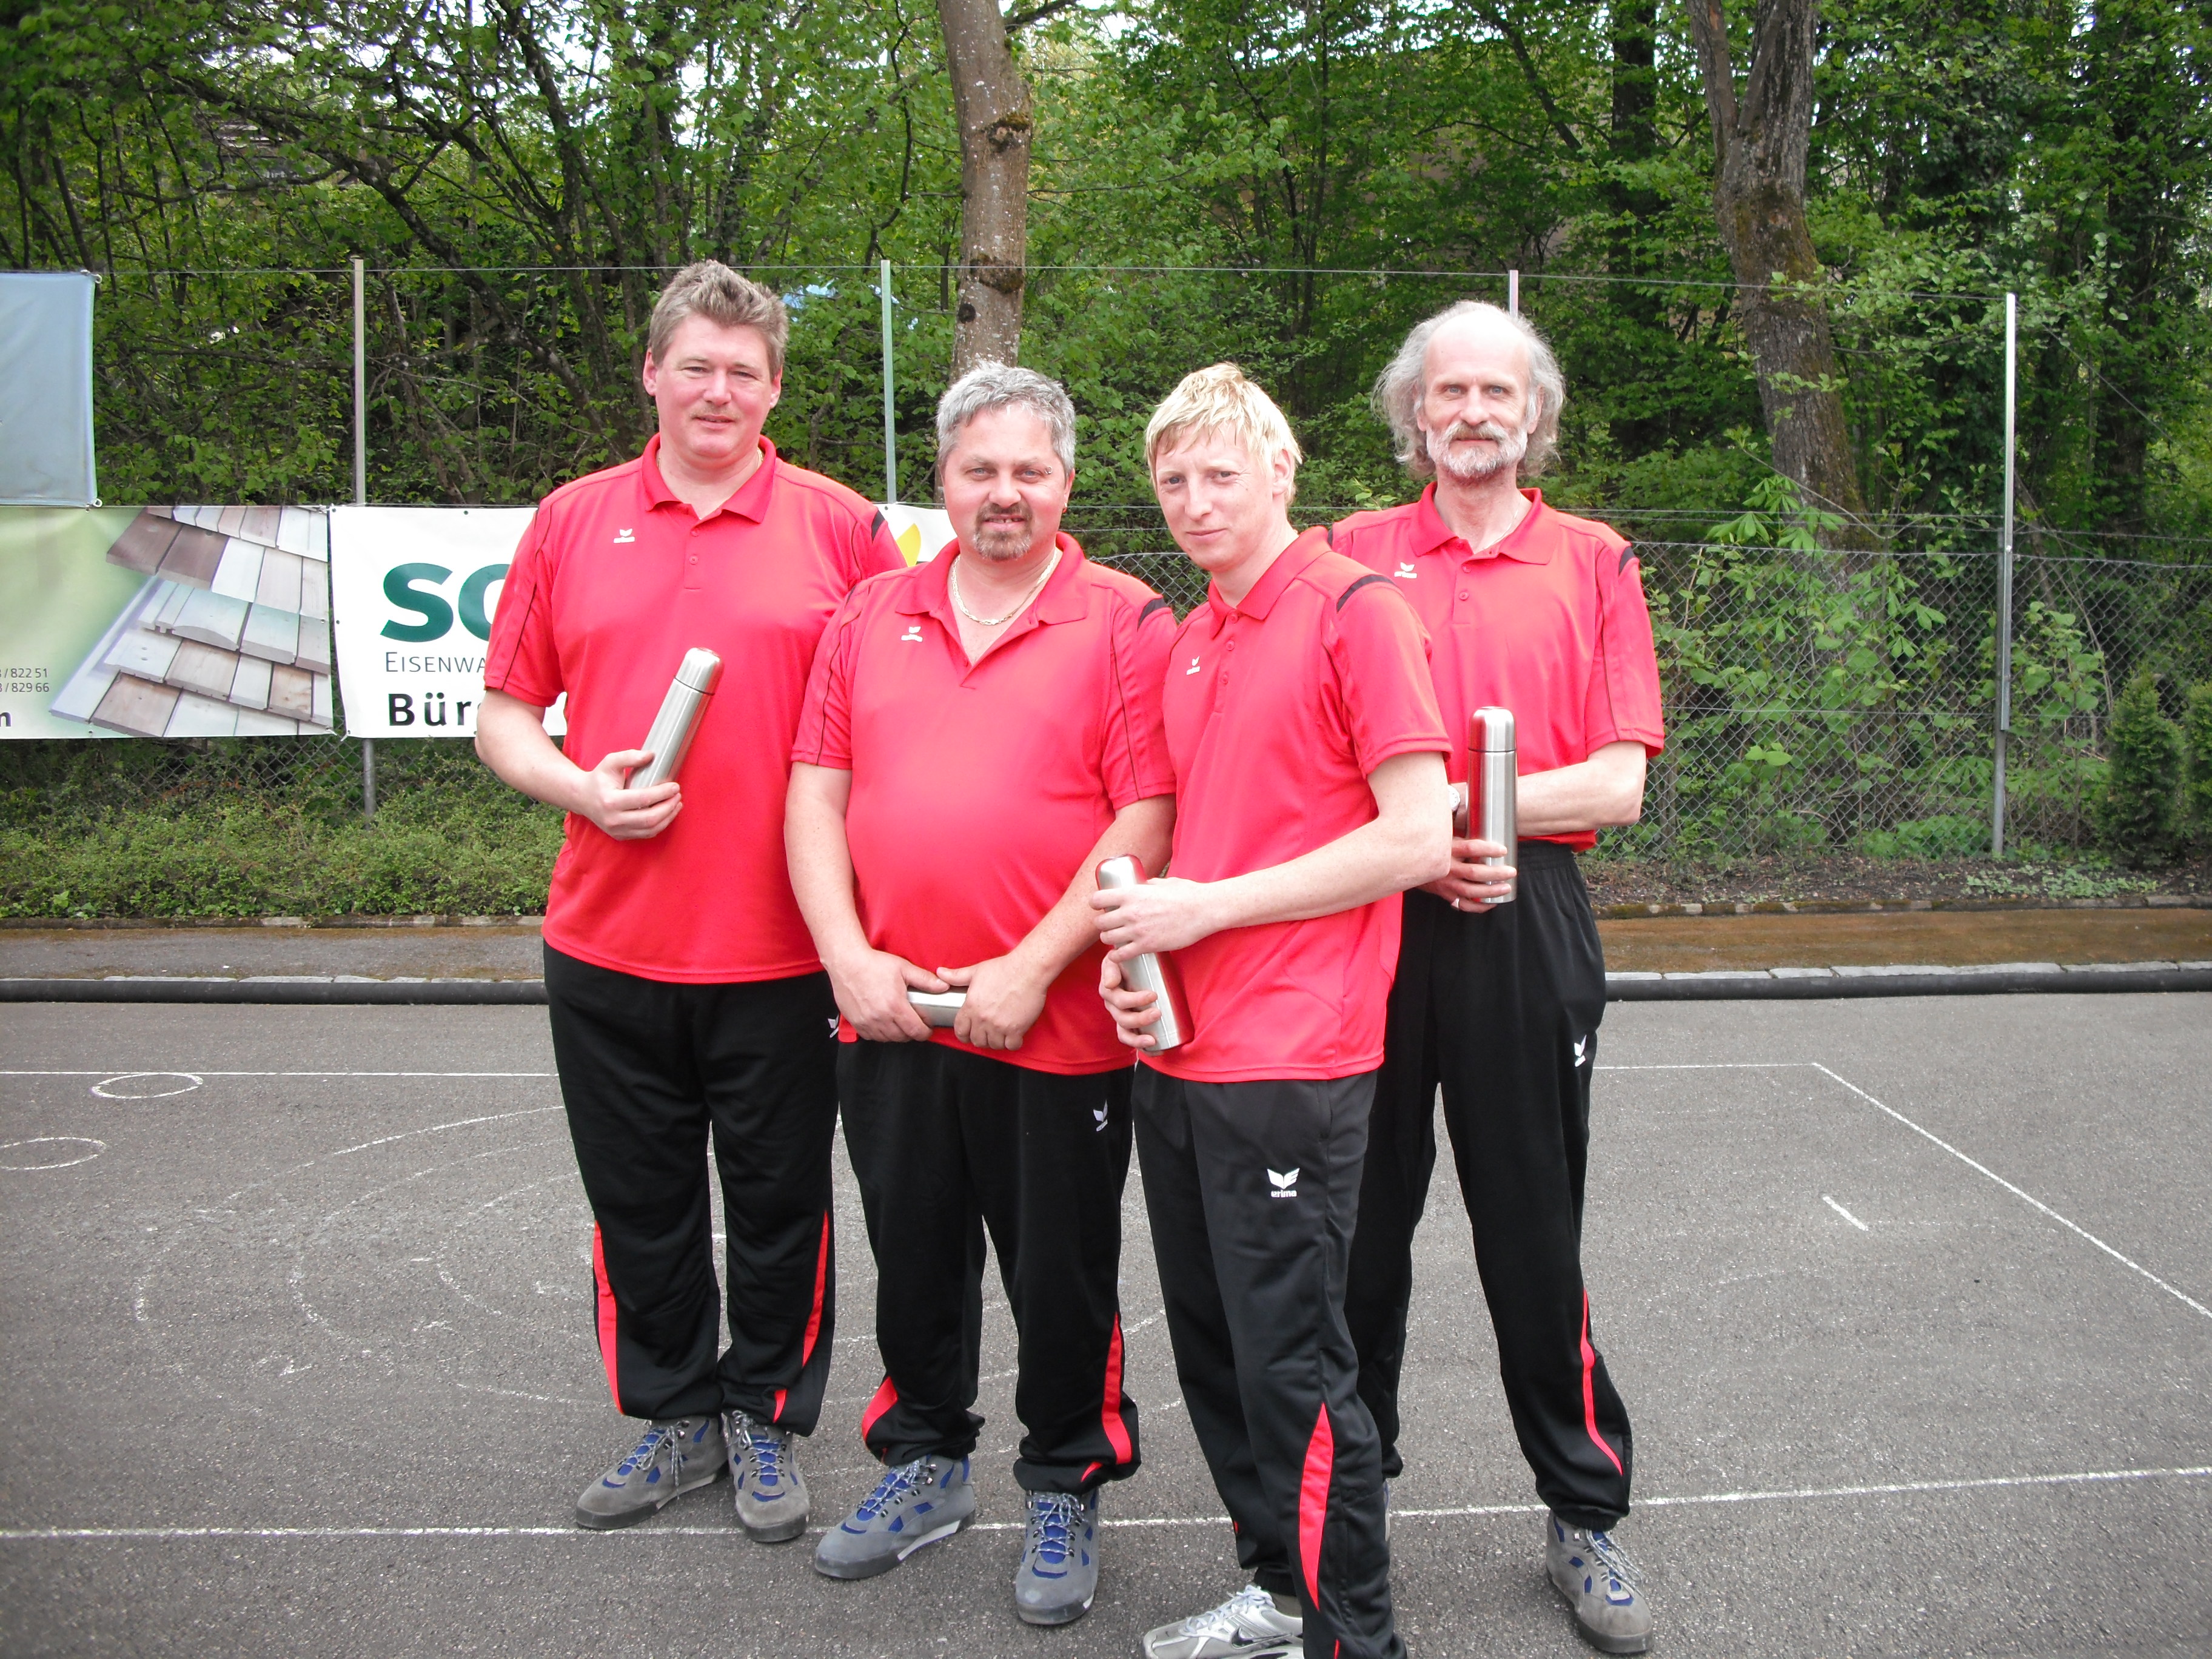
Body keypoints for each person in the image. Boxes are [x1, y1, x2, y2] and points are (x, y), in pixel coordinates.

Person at [475, 261, 903, 1538]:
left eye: (745, 372)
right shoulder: (571, 520)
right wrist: (580, 788)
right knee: (641, 1207)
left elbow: (899, 716)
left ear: (774, 390)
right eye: (698, 366)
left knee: (780, 1208)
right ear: (652, 373)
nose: (720, 390)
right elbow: (504, 717)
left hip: (784, 950)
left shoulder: (841, 528)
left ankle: (765, 1419)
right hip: (609, 941)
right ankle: (675, 1418)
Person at [786, 363, 1175, 1625]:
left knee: (1062, 1271)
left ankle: (1064, 1479)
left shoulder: (1125, 619)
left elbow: (1147, 813)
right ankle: (927, 1462)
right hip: (891, 1008)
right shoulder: (869, 613)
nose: (1005, 493)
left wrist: (1030, 967)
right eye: (979, 469)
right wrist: (847, 956)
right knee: (912, 1252)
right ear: (942, 478)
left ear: (1067, 480)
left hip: (1051, 1024)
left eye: (1029, 471)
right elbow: (815, 794)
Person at [1093, 364, 1449, 1659]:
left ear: (1282, 471)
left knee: (1296, 1367)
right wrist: (1142, 962)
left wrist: (1207, 909)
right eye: (1173, 481)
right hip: (1186, 1048)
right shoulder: (1195, 638)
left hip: (1296, 1054)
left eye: (1220, 475)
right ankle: (1278, 1595)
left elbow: (1417, 836)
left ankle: (1355, 1636)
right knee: (1220, 1355)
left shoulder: (1358, 611)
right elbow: (1196, 843)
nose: (1195, 502)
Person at [1332, 300, 1665, 1655]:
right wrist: (1417, 847)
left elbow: (1618, 784)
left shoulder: (1593, 559)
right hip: (1372, 923)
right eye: (1450, 391)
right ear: (1414, 413)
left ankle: (1584, 1509)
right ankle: (1348, 1507)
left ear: (1535, 417)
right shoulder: (1347, 553)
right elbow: (1312, 756)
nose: (1473, 412)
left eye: (1499, 393)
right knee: (1358, 1238)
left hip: (1527, 920)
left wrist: (1462, 820)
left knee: (1534, 1236)